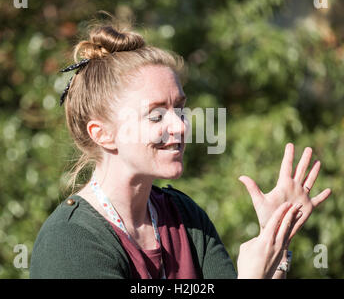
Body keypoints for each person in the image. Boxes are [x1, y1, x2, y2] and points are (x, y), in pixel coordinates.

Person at [30, 17, 331, 279]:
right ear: (103, 134)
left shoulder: (184, 216)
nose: (181, 126)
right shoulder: (70, 241)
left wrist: (275, 244)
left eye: (180, 109)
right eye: (157, 115)